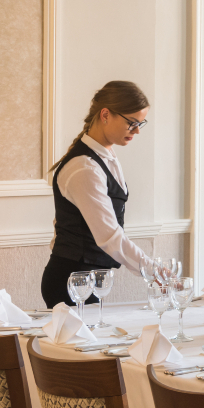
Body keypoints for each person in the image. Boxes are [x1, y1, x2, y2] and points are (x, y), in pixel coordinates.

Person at [42, 81, 156, 308]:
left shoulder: (106, 156)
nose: (137, 131)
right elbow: (110, 236)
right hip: (71, 282)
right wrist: (155, 272)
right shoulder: (84, 167)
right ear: (105, 115)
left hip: (87, 279)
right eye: (131, 123)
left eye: (141, 123)